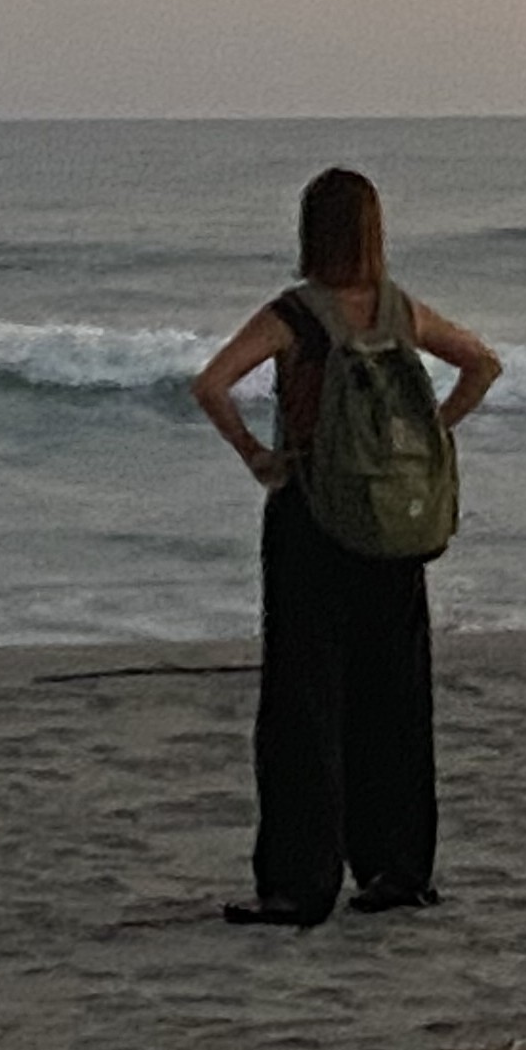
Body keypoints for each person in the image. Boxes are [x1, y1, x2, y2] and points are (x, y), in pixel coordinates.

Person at [189, 166, 501, 927]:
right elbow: (483, 363)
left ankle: (300, 882)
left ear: (309, 231)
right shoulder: (400, 310)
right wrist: (429, 436)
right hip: (394, 520)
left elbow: (211, 382)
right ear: (373, 229)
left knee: (304, 701)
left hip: (312, 519)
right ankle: (399, 868)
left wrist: (256, 457)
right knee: (394, 695)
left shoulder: (294, 315)